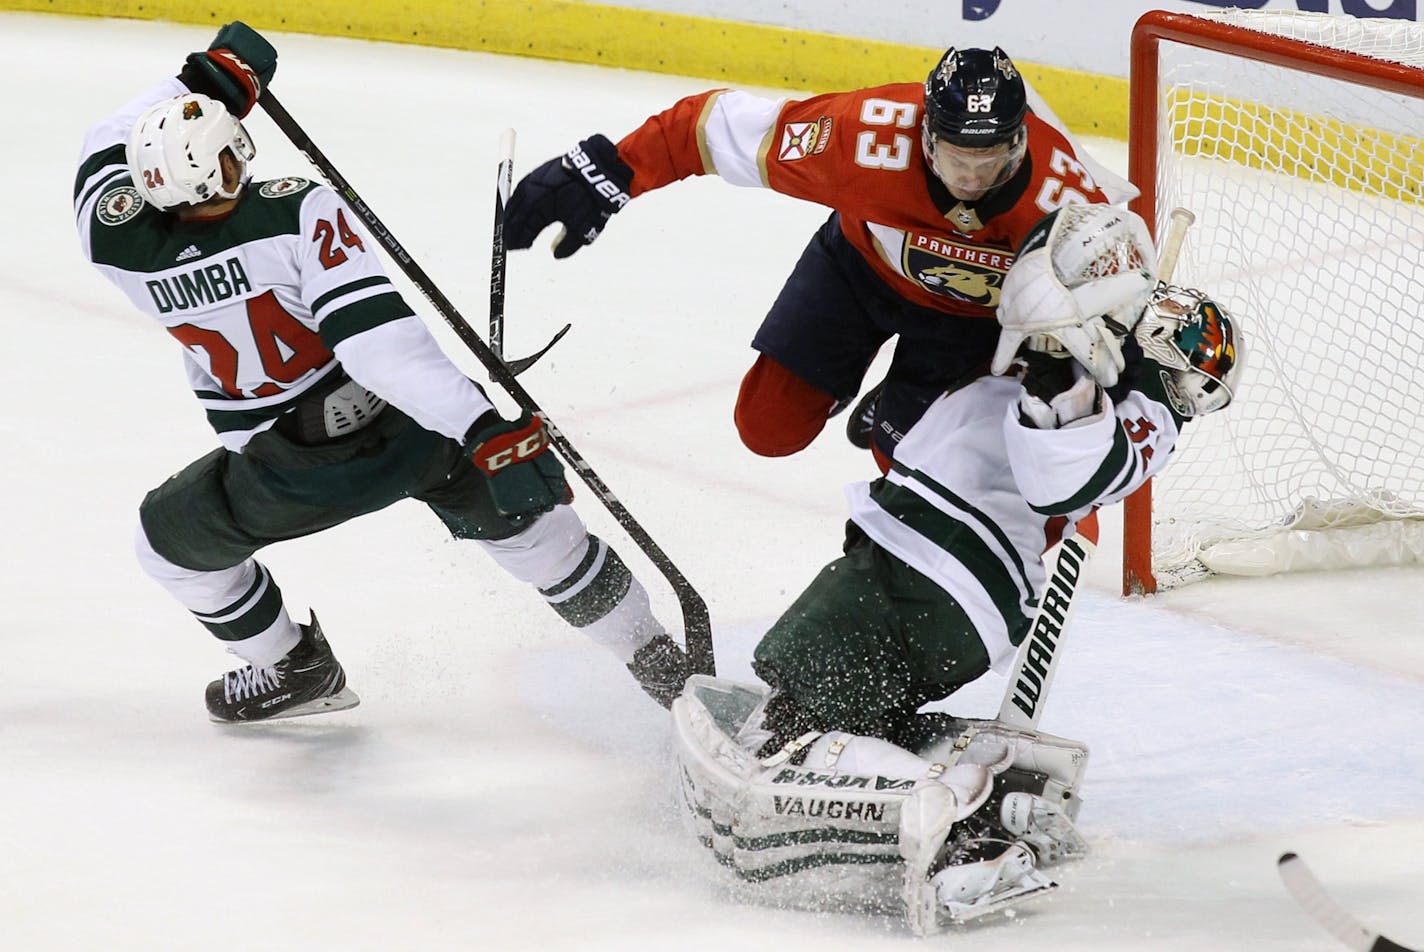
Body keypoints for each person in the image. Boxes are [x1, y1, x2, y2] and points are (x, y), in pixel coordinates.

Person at [73, 22, 694, 722]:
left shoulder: (113, 237)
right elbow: (379, 351)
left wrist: (195, 87)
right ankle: (664, 670)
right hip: (415, 422)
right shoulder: (292, 211)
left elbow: (106, 141)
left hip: (291, 464)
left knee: (168, 545)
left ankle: (290, 665)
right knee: (536, 533)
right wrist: (483, 428)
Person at [668, 205, 1244, 930]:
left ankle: (957, 824)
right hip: (959, 596)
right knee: (865, 711)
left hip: (924, 572)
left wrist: (1056, 374)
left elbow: (1057, 467)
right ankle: (1000, 802)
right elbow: (983, 405)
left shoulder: (1108, 401)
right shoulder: (1120, 391)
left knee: (791, 722)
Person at [503, 46, 1134, 472]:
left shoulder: (1067, 204)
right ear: (923, 134)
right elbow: (707, 128)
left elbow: (1124, 294)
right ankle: (852, 383)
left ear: (1019, 139)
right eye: (954, 155)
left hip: (970, 326)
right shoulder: (862, 136)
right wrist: (603, 172)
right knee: (768, 428)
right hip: (857, 273)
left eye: (990, 158)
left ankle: (902, 407)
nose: (971, 176)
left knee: (910, 467)